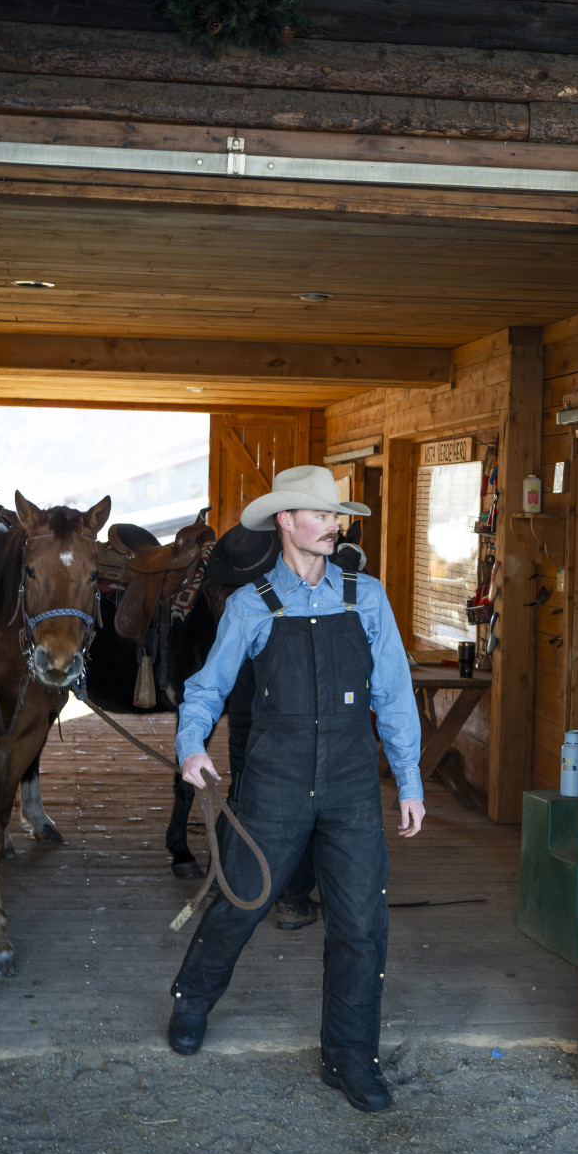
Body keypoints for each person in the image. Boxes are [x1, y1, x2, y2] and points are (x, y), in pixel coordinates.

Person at [167, 465, 425, 1113]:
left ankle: (350, 1058)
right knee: (242, 902)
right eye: (321, 515)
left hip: (350, 787)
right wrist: (191, 744)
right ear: (285, 521)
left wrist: (411, 782)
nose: (336, 525)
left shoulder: (365, 597)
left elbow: (393, 694)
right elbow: (207, 686)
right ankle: (191, 1000)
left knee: (363, 927)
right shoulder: (254, 604)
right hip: (273, 784)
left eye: (337, 516)